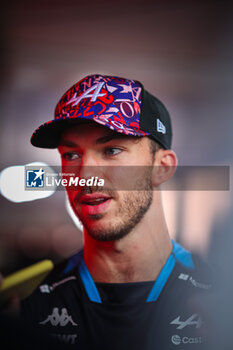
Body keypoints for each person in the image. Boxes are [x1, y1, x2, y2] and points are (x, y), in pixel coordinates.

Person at [20, 74, 213, 349]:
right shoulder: (27, 305)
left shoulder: (219, 296)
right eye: (71, 155)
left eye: (111, 150)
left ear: (162, 167)